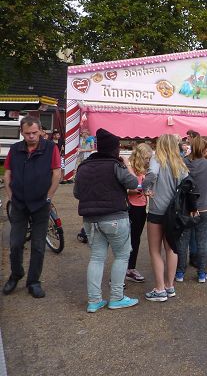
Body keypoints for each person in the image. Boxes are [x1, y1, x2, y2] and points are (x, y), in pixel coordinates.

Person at [74, 128, 141, 311]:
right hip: (115, 218)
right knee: (122, 256)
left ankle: (94, 301)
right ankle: (117, 297)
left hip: (90, 220)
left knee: (96, 258)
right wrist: (126, 164)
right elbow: (133, 184)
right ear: (114, 148)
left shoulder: (83, 166)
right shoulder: (115, 165)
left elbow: (77, 193)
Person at [3, 116, 61, 298]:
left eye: (35, 133)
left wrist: (48, 197)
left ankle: (34, 281)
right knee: (15, 243)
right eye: (27, 133)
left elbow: (57, 174)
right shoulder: (15, 149)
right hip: (19, 203)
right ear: (22, 132)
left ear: (41, 131)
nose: (31, 136)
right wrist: (11, 196)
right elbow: (7, 174)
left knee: (38, 245)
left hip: (41, 204)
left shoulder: (50, 148)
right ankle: (16, 274)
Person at [143, 134, 189, 302]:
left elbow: (152, 174)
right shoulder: (180, 163)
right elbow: (187, 184)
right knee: (171, 249)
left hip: (157, 210)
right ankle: (170, 286)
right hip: (174, 212)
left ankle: (160, 289)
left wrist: (145, 188)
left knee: (155, 251)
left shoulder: (157, 159)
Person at [174, 136, 207, 283]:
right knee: (202, 242)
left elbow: (177, 183)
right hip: (204, 207)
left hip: (185, 208)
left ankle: (180, 272)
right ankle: (201, 274)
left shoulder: (182, 163)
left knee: (183, 241)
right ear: (204, 149)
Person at [125, 143, 153, 283]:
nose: (148, 160)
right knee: (127, 239)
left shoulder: (144, 169)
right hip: (131, 206)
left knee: (136, 239)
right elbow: (126, 187)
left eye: (149, 158)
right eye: (146, 158)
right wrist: (132, 190)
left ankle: (131, 268)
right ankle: (124, 269)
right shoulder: (129, 167)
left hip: (141, 206)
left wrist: (147, 191)